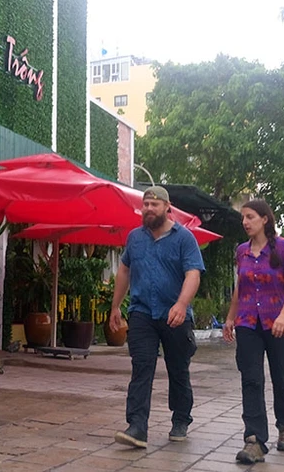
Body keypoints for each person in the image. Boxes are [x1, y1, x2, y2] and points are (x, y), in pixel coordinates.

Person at [110, 186, 205, 449]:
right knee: (141, 367)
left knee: (178, 369)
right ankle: (137, 426)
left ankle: (181, 419)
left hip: (175, 315)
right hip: (142, 312)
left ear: (167, 207)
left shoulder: (184, 238)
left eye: (154, 204)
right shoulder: (134, 238)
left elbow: (193, 273)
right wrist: (115, 306)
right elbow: (124, 271)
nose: (149, 209)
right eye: (146, 204)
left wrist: (182, 304)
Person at [222, 198, 284, 464]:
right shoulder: (242, 251)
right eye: (243, 218)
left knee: (281, 376)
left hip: (279, 323)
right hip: (248, 323)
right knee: (251, 379)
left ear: (265, 219)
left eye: (250, 217)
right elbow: (241, 287)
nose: (245, 222)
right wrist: (230, 318)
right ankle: (255, 440)